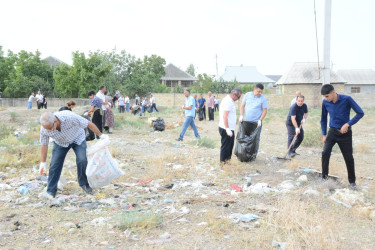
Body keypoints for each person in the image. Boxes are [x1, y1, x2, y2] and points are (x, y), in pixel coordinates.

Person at [38, 111, 107, 199]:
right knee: (54, 165)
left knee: (82, 160)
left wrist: (100, 135)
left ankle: (84, 184)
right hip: (60, 143)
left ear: (55, 121)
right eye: (47, 129)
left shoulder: (69, 117)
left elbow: (88, 123)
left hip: (77, 138)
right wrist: (43, 162)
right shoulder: (44, 128)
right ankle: (51, 190)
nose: (49, 131)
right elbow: (44, 144)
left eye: (51, 128)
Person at [320, 84, 364, 188]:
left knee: (348, 157)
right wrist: (324, 134)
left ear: (333, 92)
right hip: (332, 132)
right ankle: (324, 178)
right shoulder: (325, 102)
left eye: (327, 96)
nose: (326, 99)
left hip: (345, 134)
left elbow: (360, 113)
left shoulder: (347, 99)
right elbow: (323, 119)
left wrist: (348, 124)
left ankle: (352, 182)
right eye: (324, 97)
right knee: (325, 153)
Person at [239, 83, 268, 161]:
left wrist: (260, 120)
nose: (260, 93)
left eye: (261, 92)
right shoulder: (247, 95)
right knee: (246, 138)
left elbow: (265, 111)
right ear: (254, 89)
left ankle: (253, 156)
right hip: (247, 122)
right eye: (258, 91)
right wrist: (241, 115)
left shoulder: (263, 98)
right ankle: (245, 154)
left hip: (256, 123)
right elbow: (242, 106)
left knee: (256, 140)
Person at [219, 89, 242, 163]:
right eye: (238, 97)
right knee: (226, 147)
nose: (238, 99)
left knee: (229, 147)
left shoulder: (229, 100)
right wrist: (227, 129)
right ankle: (223, 164)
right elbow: (225, 115)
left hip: (228, 128)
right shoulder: (228, 101)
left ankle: (227, 162)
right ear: (234, 94)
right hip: (226, 128)